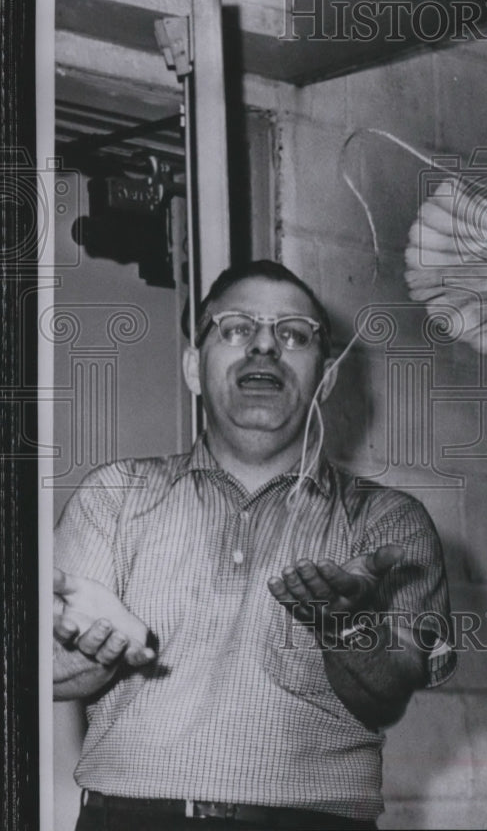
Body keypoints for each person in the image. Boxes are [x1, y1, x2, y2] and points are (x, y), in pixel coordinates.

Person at [53, 259, 456, 830]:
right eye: (237, 328)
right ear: (195, 367)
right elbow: (43, 669)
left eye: (293, 335)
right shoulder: (114, 496)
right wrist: (94, 649)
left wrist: (345, 628)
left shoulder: (388, 522)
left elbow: (389, 694)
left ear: (326, 378)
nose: (264, 347)